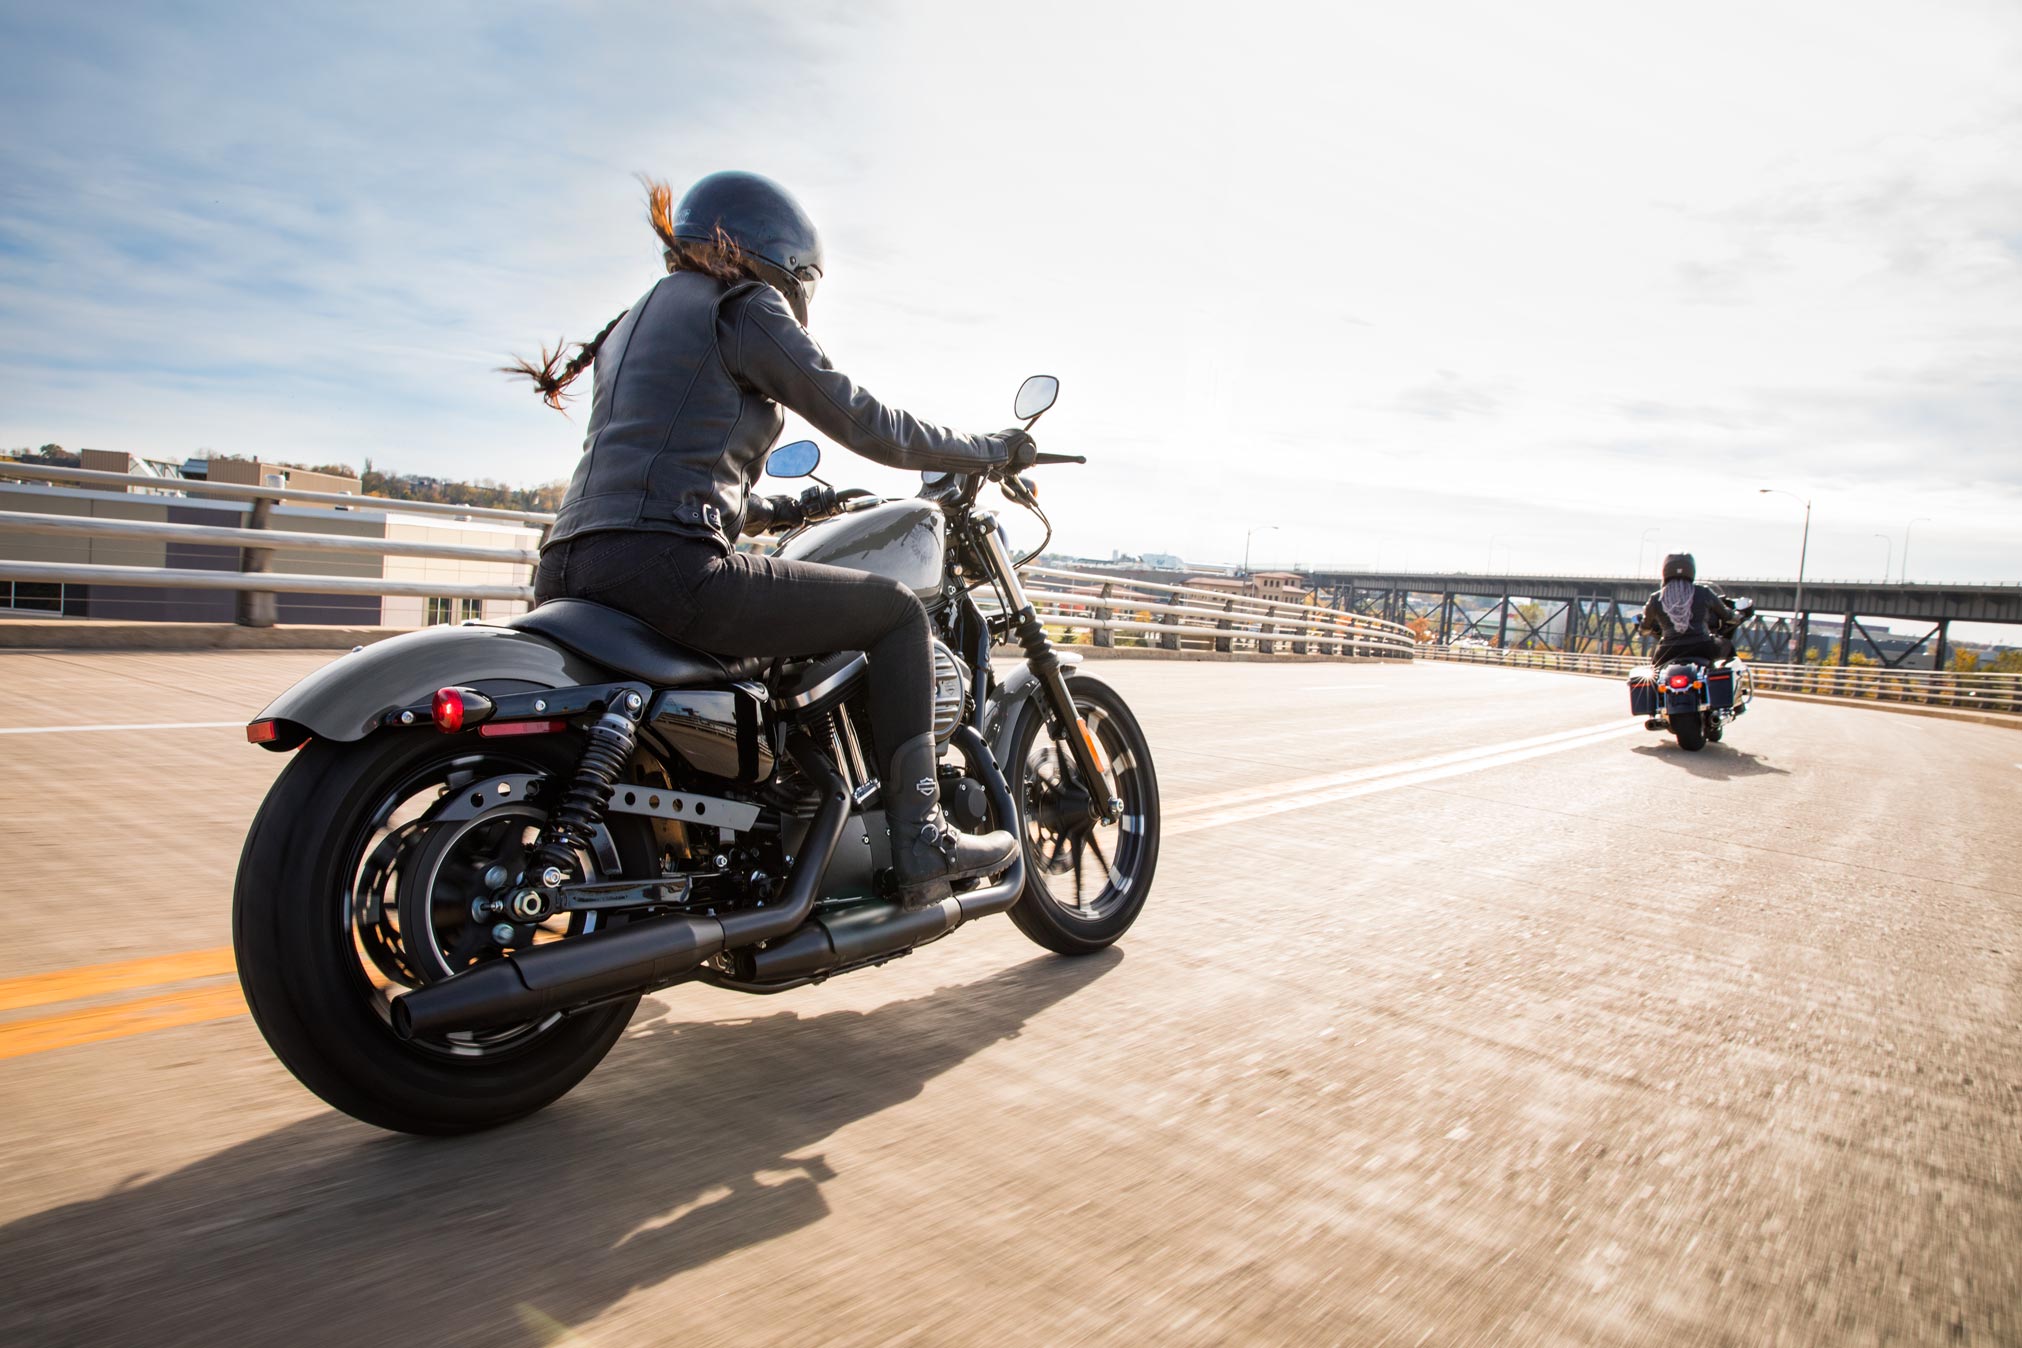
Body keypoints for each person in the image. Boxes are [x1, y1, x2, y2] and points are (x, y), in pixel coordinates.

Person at [506, 170, 1029, 908]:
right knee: (895, 614)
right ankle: (923, 841)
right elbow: (870, 424)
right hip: (669, 570)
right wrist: (987, 450)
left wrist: (775, 506)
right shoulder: (742, 304)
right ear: (785, 262)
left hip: (568, 567)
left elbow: (662, 463)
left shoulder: (633, 322)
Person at [1637, 552, 1738, 665]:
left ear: (1665, 571)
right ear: (1691, 570)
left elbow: (1645, 627)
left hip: (1668, 650)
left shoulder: (1656, 598)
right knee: (1728, 647)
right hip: (1702, 646)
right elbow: (1727, 615)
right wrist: (1736, 615)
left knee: (1654, 671)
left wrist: (1644, 629)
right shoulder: (1704, 592)